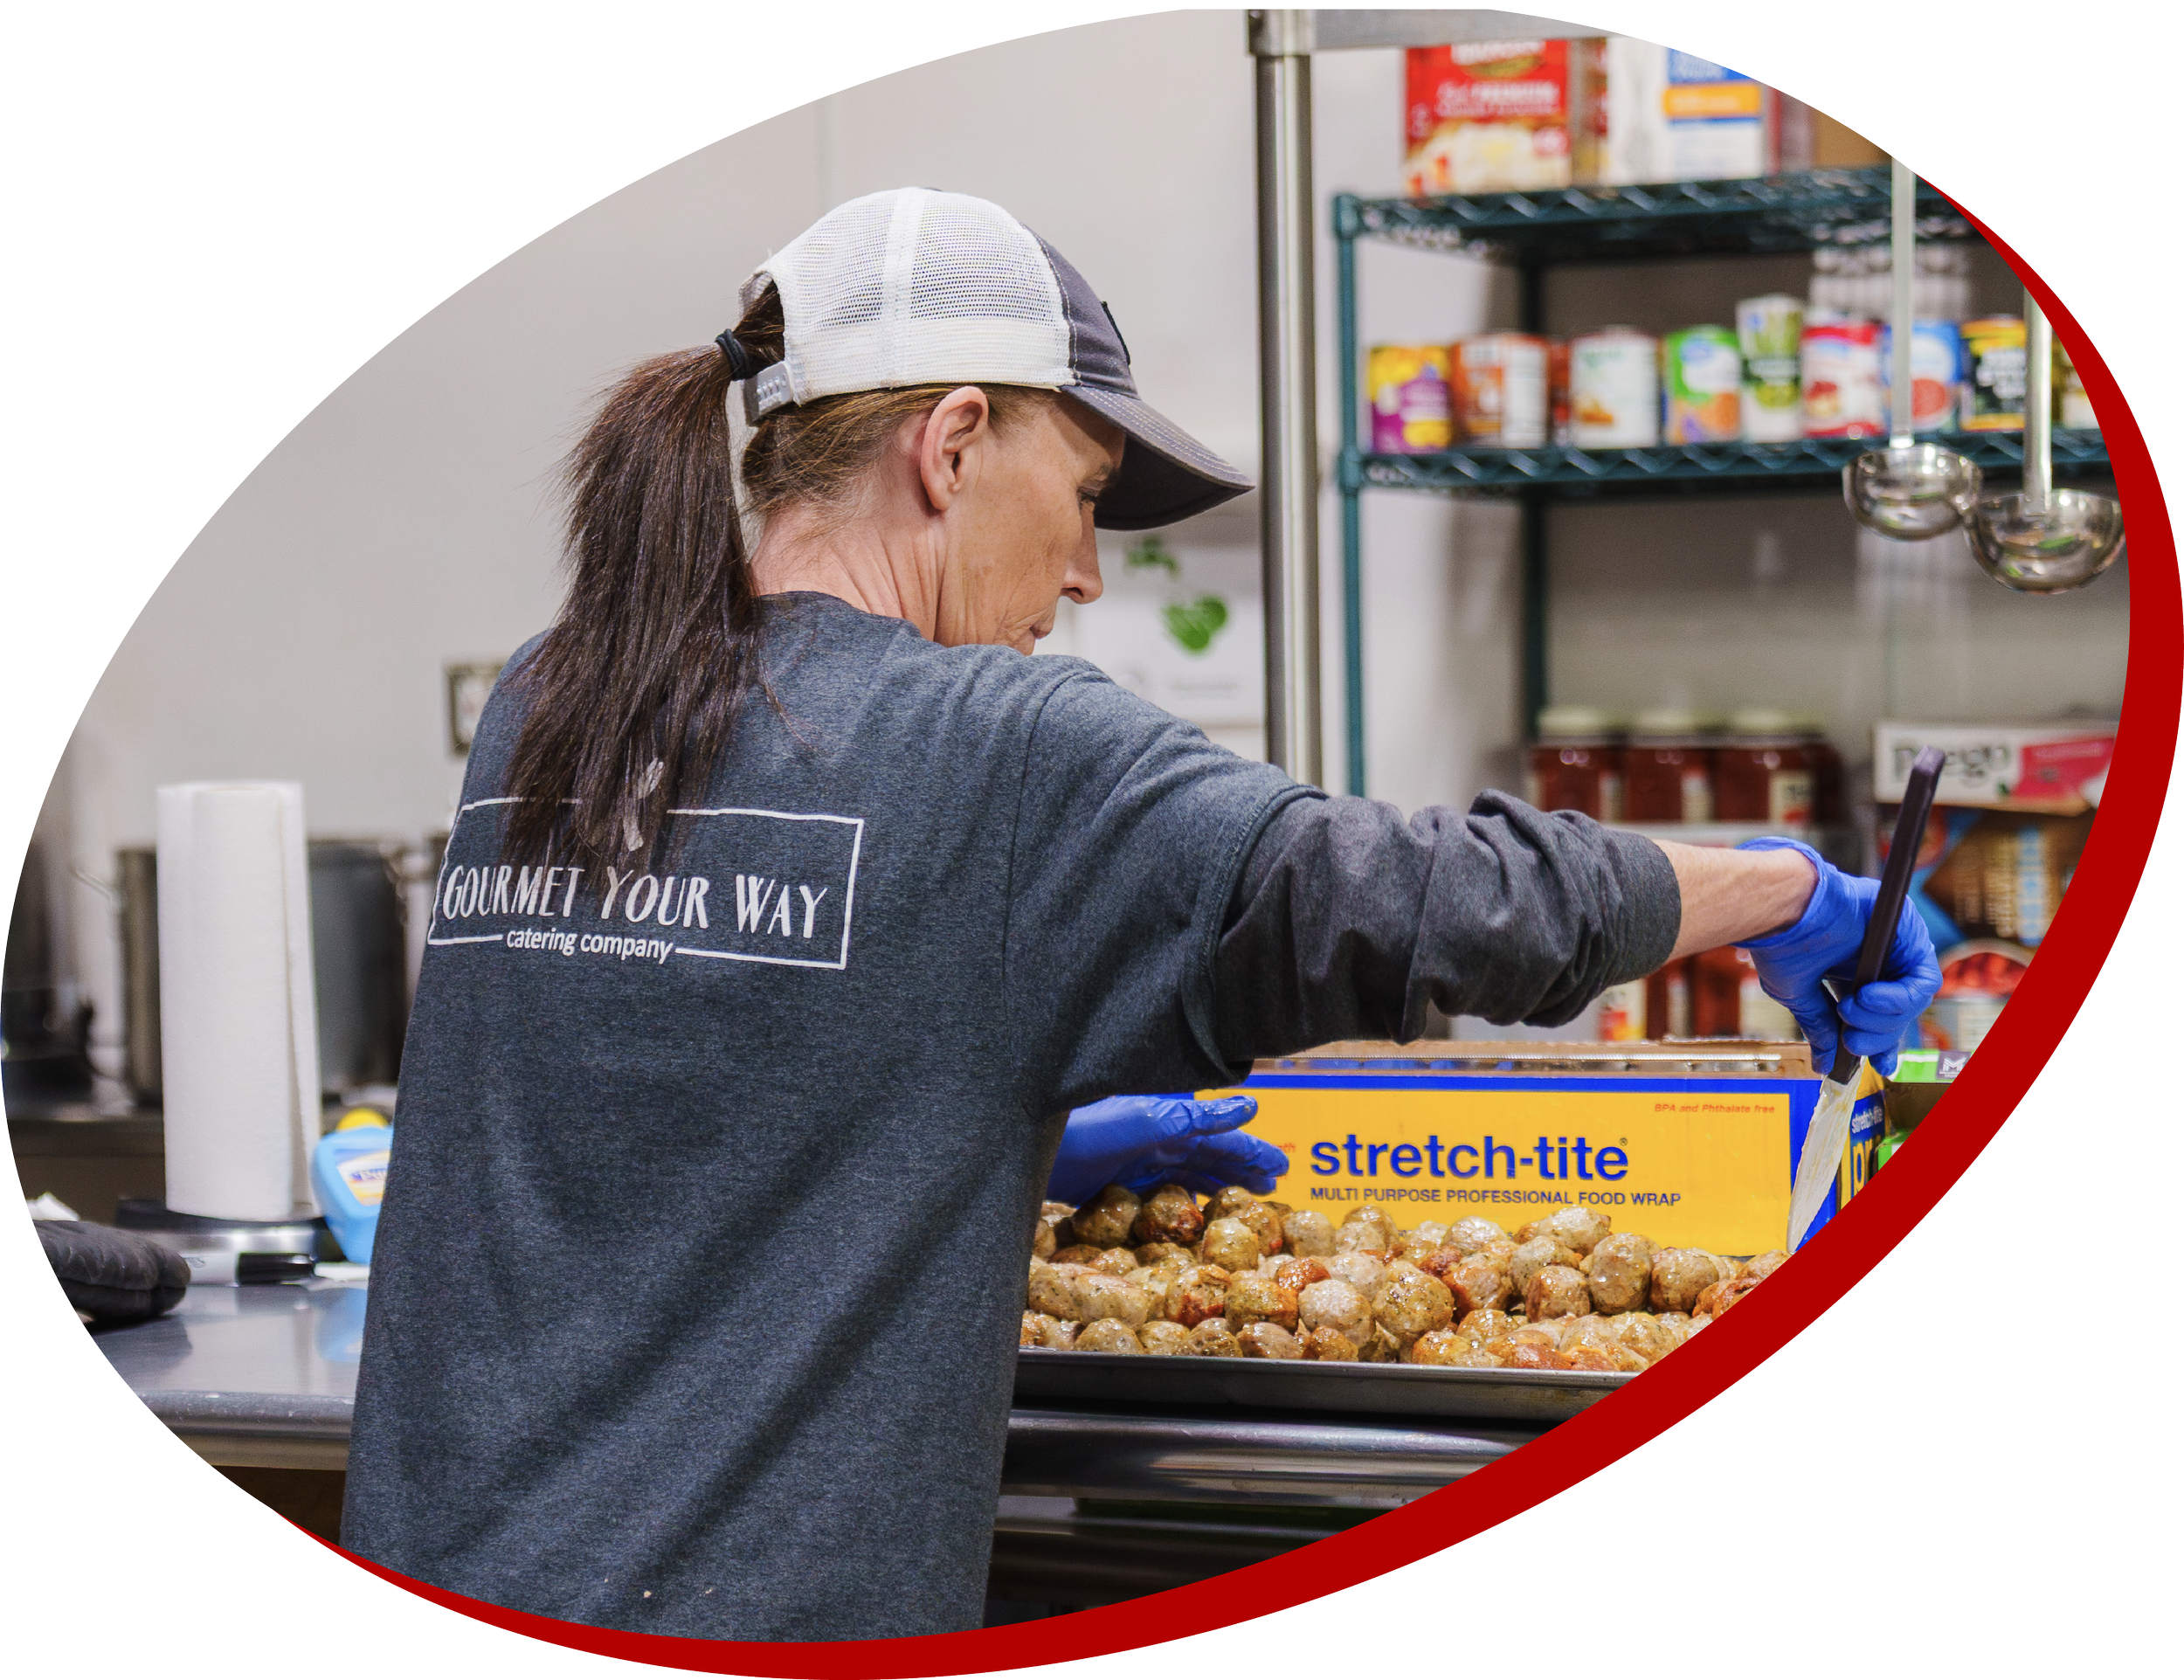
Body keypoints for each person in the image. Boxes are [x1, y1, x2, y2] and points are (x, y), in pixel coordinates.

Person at [342, 189, 1938, 1640]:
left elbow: (686, 1079)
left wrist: (1014, 1147)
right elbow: (1420, 905)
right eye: (1088, 488)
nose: (1093, 571)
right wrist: (1780, 886)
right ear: (954, 443)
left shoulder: (560, 691)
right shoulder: (994, 744)